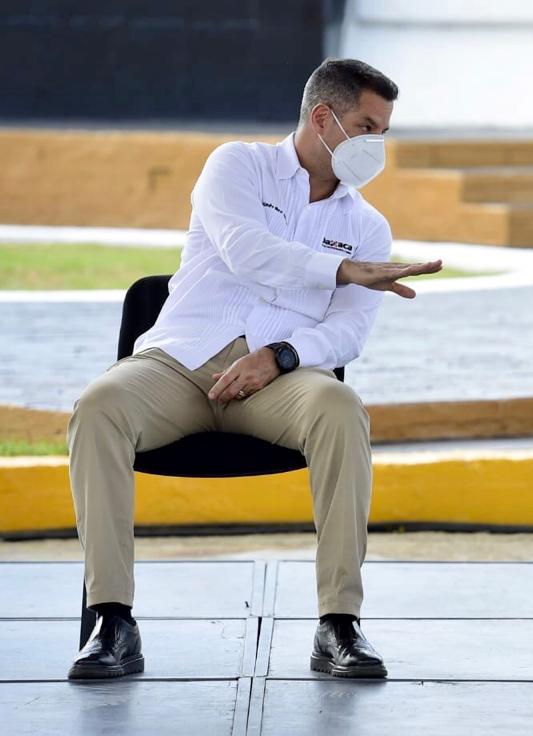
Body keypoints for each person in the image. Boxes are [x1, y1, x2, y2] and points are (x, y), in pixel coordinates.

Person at [67, 58, 440, 680]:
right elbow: (247, 251)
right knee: (98, 406)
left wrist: (280, 356)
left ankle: (339, 625)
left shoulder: (367, 228)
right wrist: (340, 269)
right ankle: (112, 621)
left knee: (341, 409)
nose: (378, 145)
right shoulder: (236, 165)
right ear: (322, 118)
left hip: (279, 382)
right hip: (182, 362)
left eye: (384, 132)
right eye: (367, 128)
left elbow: (348, 331)